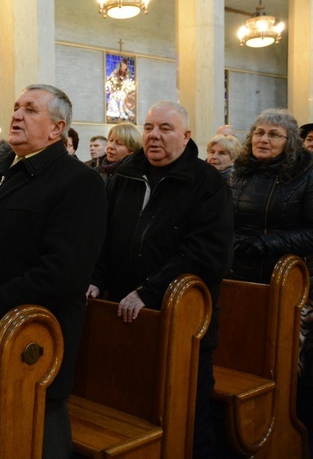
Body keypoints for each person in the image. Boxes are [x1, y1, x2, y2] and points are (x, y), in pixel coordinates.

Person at [0, 84, 107, 458]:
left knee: (37, 439)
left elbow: (63, 272)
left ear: (57, 129)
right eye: (15, 107)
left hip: (35, 343)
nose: (16, 115)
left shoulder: (79, 183)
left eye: (30, 109)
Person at [87, 101, 233, 458]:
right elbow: (103, 236)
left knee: (187, 415)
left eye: (165, 128)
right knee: (133, 409)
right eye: (149, 127)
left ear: (185, 136)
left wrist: (149, 290)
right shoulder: (124, 174)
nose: (154, 135)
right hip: (124, 314)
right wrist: (95, 278)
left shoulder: (207, 183)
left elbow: (206, 255)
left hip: (183, 320)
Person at [228, 110, 313, 426]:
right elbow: (222, 219)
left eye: (274, 134)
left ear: (289, 141)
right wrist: (233, 239)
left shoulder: (307, 175)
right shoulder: (237, 172)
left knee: (281, 360)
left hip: (284, 280)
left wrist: (268, 243)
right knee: (241, 356)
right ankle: (244, 422)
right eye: (259, 133)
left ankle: (282, 424)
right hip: (237, 277)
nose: (264, 139)